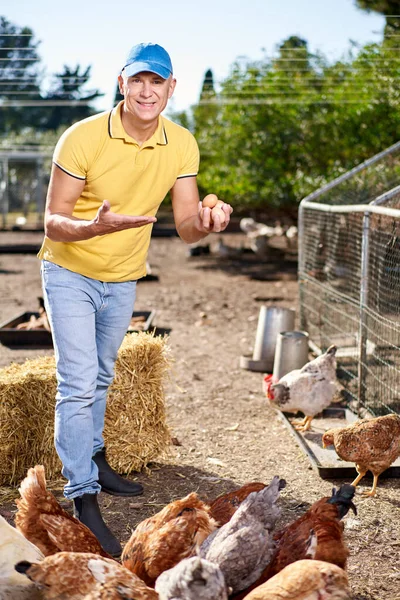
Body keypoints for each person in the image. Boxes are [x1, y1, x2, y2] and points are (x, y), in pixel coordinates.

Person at [38, 42, 233, 556]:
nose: (148, 91)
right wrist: (94, 226)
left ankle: (96, 458)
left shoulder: (181, 143)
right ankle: (82, 495)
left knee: (103, 374)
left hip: (124, 276)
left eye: (158, 82)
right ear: (123, 83)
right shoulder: (82, 137)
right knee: (77, 381)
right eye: (138, 80)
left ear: (172, 89)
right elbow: (51, 220)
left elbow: (187, 227)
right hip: (69, 270)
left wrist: (210, 223)